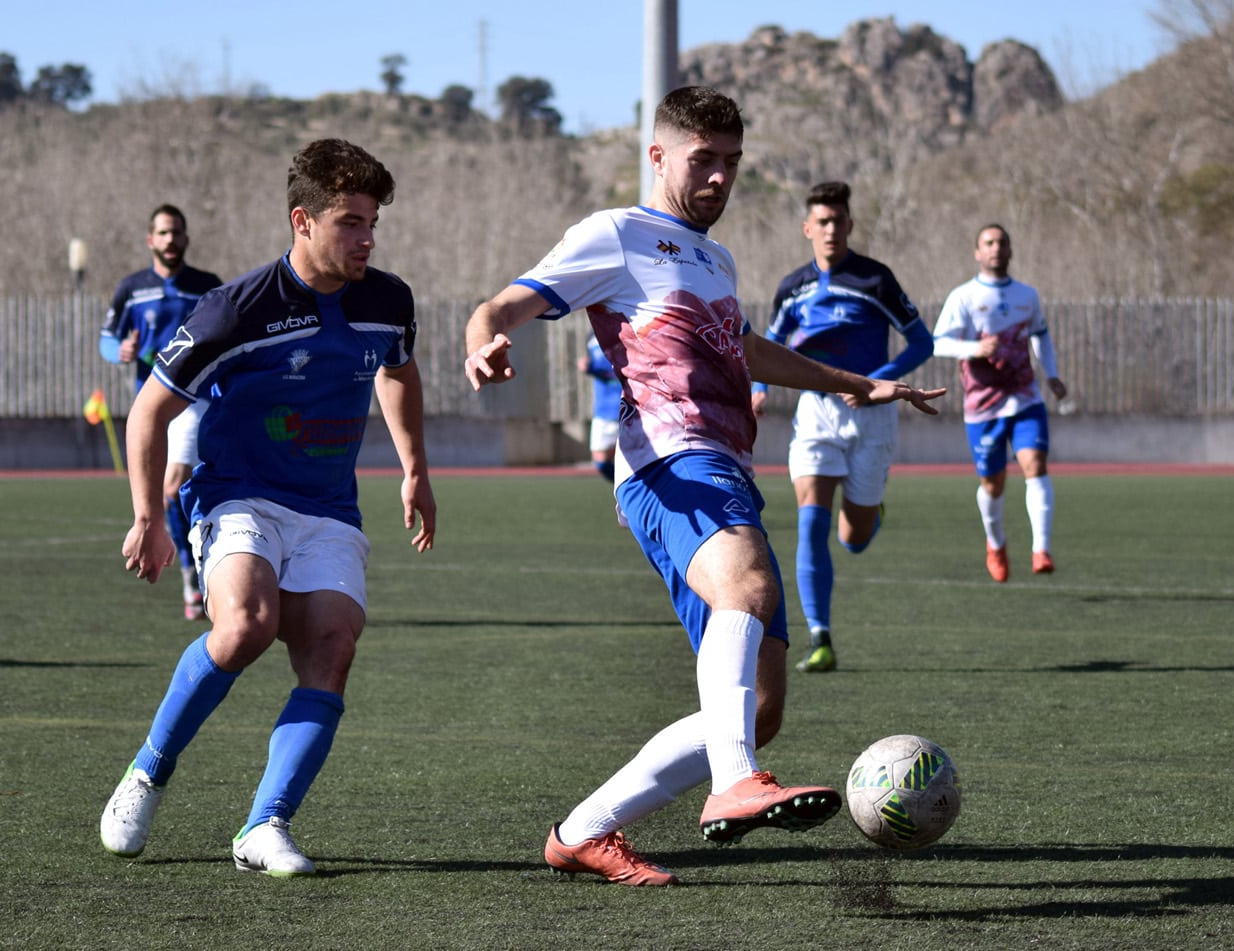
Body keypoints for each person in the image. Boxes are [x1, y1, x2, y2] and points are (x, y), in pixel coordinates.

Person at [464, 86, 944, 887]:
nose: (720, 177)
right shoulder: (616, 235)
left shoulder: (716, 259)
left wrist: (861, 384)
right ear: (658, 156)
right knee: (748, 583)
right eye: (703, 161)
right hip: (671, 461)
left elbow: (747, 349)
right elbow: (506, 302)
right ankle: (732, 784)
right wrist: (485, 340)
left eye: (732, 163)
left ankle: (583, 831)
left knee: (759, 708)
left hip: (723, 463)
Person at [99, 138, 437, 877]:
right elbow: (149, 411)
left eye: (372, 221)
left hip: (327, 507)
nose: (366, 237)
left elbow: (398, 371)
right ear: (302, 220)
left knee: (332, 646)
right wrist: (148, 518)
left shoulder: (389, 299)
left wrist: (414, 468)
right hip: (237, 491)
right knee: (246, 625)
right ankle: (147, 773)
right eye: (350, 221)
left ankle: (264, 824)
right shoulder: (234, 310)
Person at [751, 181, 933, 674]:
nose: (831, 230)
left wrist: (877, 383)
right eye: (822, 222)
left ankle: (871, 515)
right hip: (817, 413)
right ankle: (821, 638)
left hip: (873, 419)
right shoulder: (792, 288)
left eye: (839, 221)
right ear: (808, 228)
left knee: (853, 537)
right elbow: (770, 345)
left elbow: (922, 342)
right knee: (811, 522)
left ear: (850, 225)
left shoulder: (876, 280)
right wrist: (760, 389)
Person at [100, 204, 223, 619]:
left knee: (172, 487)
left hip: (193, 402)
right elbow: (106, 339)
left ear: (186, 238)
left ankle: (204, 570)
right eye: (163, 233)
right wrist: (120, 351)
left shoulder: (207, 287)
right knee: (170, 497)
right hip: (148, 411)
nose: (171, 240)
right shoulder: (132, 288)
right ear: (150, 239)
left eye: (177, 233)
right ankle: (193, 573)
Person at [933, 223, 1066, 582]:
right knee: (993, 484)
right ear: (978, 252)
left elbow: (1040, 334)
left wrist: (1050, 373)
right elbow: (938, 343)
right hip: (983, 406)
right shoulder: (963, 296)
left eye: (1002, 242)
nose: (996, 248)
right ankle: (996, 543)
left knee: (1034, 464)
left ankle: (1041, 549)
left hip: (1025, 399)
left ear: (1010, 250)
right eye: (988, 243)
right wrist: (974, 348)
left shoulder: (1028, 295)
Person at [578, 332, 622, 481]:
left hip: (628, 406)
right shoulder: (591, 337)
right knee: (601, 462)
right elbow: (590, 361)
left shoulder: (625, 331)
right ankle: (630, 493)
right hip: (603, 409)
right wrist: (587, 366)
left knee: (632, 460)